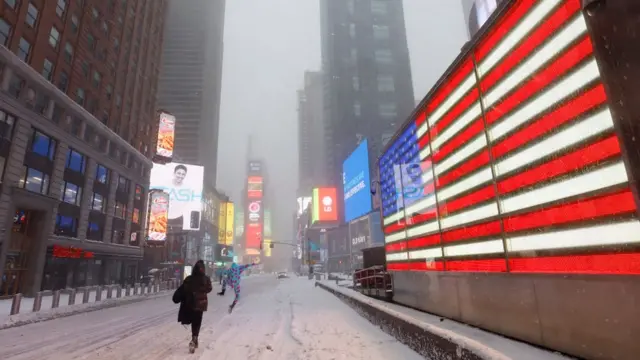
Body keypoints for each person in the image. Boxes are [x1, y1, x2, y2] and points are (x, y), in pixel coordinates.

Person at [172, 260, 213, 353]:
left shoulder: (189, 279)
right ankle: (194, 338)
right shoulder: (206, 279)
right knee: (197, 322)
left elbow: (182, 290)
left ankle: (194, 340)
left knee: (192, 320)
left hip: (190, 304)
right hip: (201, 304)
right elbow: (209, 289)